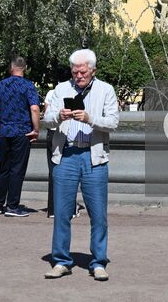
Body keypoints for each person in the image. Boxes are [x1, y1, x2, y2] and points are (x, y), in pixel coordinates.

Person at [43, 49, 118, 281]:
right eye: (75, 71)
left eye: (83, 71)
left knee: (98, 214)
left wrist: (89, 119)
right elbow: (46, 120)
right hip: (65, 156)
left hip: (93, 158)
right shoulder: (60, 89)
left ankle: (98, 262)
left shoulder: (106, 90)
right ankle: (61, 261)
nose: (78, 75)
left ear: (93, 70)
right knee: (62, 213)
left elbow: (113, 122)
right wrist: (59, 117)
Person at [0, 56, 41, 217]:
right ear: (24, 68)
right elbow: (34, 108)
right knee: (17, 169)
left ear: (10, 68)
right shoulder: (28, 86)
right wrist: (36, 129)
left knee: (4, 168)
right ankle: (12, 205)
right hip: (22, 132)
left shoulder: (1, 85)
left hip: (4, 131)